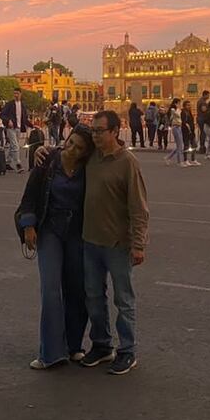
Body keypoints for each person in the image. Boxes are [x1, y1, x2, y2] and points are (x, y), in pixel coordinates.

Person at [38, 111, 149, 375]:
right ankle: (101, 344)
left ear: (116, 131)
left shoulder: (128, 163)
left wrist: (138, 244)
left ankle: (127, 350)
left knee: (123, 299)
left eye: (101, 131)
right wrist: (42, 149)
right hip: (90, 241)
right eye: (94, 131)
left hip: (117, 243)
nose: (96, 136)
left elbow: (139, 208)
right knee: (93, 298)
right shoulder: (91, 158)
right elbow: (67, 153)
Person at [16, 126, 95, 369]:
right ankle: (50, 352)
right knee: (50, 289)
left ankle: (74, 346)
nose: (71, 149)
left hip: (77, 232)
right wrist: (29, 226)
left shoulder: (90, 168)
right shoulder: (48, 160)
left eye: (78, 148)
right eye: (70, 142)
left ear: (85, 153)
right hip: (50, 228)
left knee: (76, 289)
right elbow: (29, 197)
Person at [1, 87, 30, 172]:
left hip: (19, 128)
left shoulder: (23, 105)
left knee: (12, 146)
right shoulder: (9, 104)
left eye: (17, 93)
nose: (16, 95)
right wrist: (8, 120)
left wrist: (32, 125)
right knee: (15, 146)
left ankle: (7, 162)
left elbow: (24, 118)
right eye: (14, 93)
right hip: (11, 128)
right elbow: (2, 114)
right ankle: (18, 164)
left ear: (21, 94)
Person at [164, 99, 186, 167]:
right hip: (175, 127)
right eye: (179, 103)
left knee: (180, 145)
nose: (180, 104)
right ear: (176, 103)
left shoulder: (178, 109)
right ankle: (179, 162)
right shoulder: (173, 110)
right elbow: (177, 116)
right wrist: (178, 110)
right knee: (179, 145)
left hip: (179, 127)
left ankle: (168, 157)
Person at [180, 100, 199, 166]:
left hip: (191, 131)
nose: (189, 106)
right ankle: (185, 160)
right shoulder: (183, 112)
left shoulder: (189, 112)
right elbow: (184, 122)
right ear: (184, 106)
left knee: (194, 145)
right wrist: (188, 128)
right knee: (186, 145)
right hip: (186, 131)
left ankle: (193, 159)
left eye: (189, 105)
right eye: (188, 105)